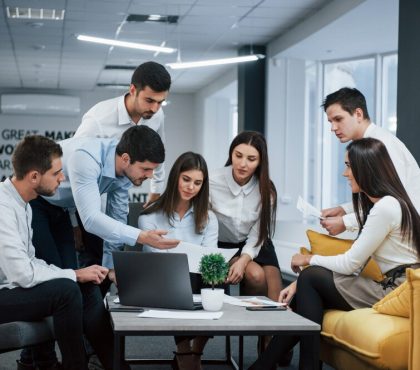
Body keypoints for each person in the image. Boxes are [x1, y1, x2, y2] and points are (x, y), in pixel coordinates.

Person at [248, 138, 420, 370]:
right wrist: (299, 282)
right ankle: (266, 365)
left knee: (311, 277)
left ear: (366, 168)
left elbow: (351, 264)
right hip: (393, 286)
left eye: (349, 166)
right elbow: (356, 264)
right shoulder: (383, 205)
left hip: (397, 290)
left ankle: (269, 365)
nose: (344, 173)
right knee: (308, 285)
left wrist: (308, 260)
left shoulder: (386, 207)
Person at [0, 135, 130, 370]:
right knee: (66, 290)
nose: (63, 178)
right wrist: (74, 275)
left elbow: (31, 263)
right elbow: (23, 274)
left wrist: (75, 273)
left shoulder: (23, 204)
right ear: (34, 177)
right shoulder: (3, 206)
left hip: (9, 290)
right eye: (57, 173)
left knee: (69, 287)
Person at [33, 125, 179, 284]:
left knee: (69, 275)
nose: (150, 176)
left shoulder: (125, 172)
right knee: (54, 275)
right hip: (36, 198)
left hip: (62, 207)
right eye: (145, 169)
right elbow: (91, 220)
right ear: (125, 159)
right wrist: (142, 236)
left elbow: (117, 217)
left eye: (153, 170)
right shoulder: (86, 158)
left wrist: (111, 268)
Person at [139, 152, 218, 370]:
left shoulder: (209, 218)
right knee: (179, 275)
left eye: (197, 182)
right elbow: (156, 260)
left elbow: (209, 257)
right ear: (175, 177)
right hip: (164, 278)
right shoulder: (149, 217)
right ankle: (184, 351)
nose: (191, 187)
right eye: (186, 179)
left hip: (197, 274)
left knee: (215, 278)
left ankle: (197, 351)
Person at [209, 131, 282, 354]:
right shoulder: (211, 180)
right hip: (221, 242)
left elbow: (258, 232)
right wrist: (233, 259)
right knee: (255, 276)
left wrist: (244, 258)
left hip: (256, 240)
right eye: (238, 155)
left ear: (260, 162)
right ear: (231, 153)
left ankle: (270, 344)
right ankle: (258, 333)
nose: (242, 164)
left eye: (251, 159)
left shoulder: (266, 189)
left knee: (275, 301)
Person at [320, 87, 420, 236]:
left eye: (338, 119)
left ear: (358, 114)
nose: (333, 128)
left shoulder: (381, 144)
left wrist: (346, 222)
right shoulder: (365, 146)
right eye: (330, 122)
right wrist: (345, 209)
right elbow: (379, 195)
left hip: (407, 235)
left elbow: (395, 202)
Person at [74, 61, 171, 206]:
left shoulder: (157, 115)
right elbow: (75, 162)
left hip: (121, 188)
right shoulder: (98, 118)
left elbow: (158, 151)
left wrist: (156, 190)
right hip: (90, 191)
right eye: (149, 100)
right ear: (133, 90)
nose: (155, 108)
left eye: (160, 102)